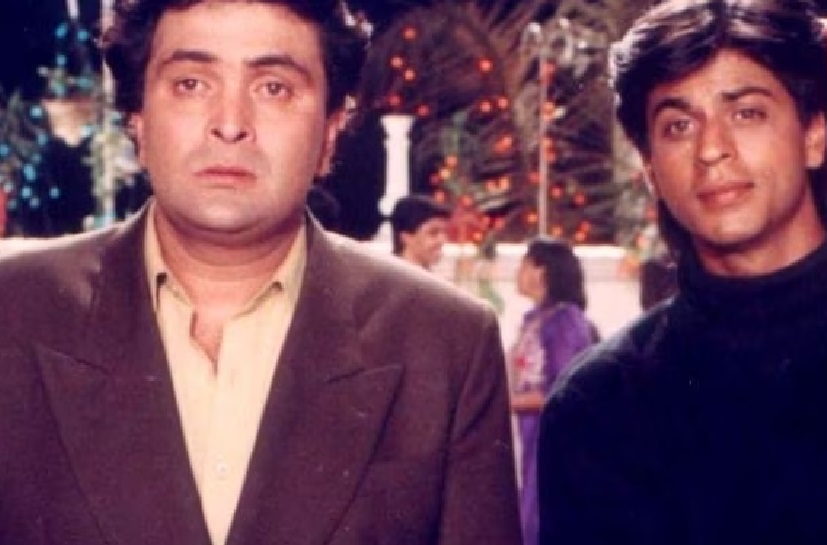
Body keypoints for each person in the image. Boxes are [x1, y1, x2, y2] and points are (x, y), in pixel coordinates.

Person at [0, 1, 522, 545]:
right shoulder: (13, 313)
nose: (230, 125)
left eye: (273, 88)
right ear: (137, 119)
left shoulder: (445, 344)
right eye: (191, 84)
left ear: (330, 132)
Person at [538, 1, 827, 545]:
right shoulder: (600, 403)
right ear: (650, 167)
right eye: (679, 126)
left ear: (814, 133)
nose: (711, 150)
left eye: (747, 113)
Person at [507, 237, 596, 545]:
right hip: (532, 435)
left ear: (541, 271)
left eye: (523, 264)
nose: (517, 272)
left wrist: (508, 403)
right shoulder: (535, 318)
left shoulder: (565, 321)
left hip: (555, 437)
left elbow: (565, 388)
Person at [390, 194, 452, 270]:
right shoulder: (387, 276)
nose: (442, 240)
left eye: (444, 232)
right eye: (433, 232)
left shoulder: (432, 276)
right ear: (406, 237)